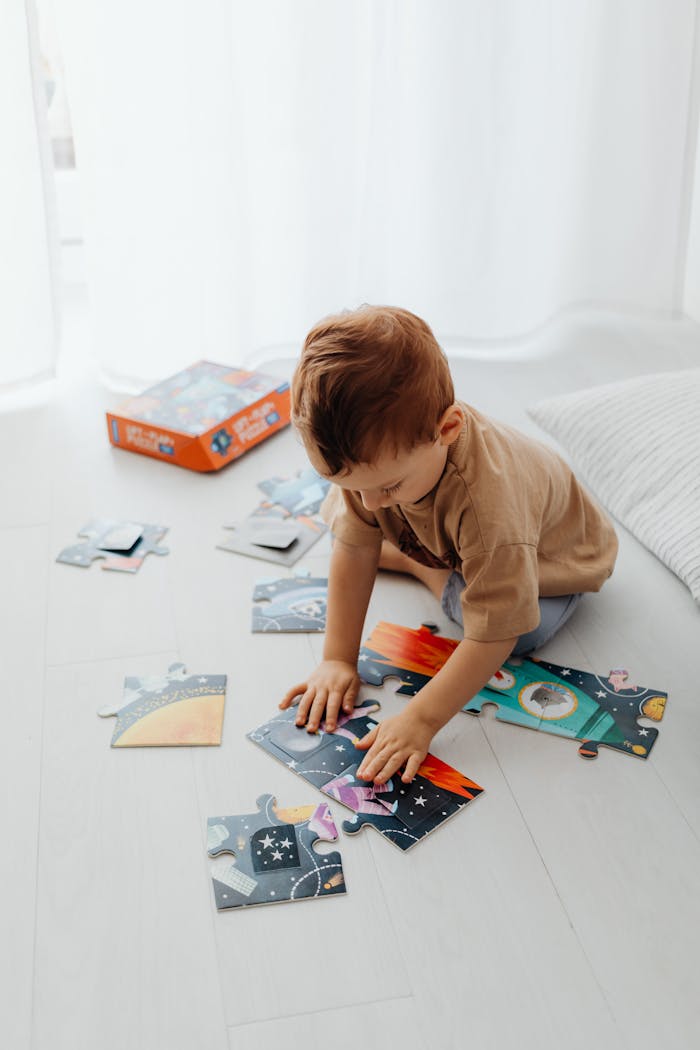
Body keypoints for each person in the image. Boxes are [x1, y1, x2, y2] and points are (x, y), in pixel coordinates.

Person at [279, 305, 618, 786]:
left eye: (389, 487)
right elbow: (353, 549)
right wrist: (336, 658)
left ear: (447, 430)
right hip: (470, 547)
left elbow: (493, 634)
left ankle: (421, 565)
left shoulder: (489, 506)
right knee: (367, 534)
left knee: (520, 634)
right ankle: (423, 557)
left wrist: (421, 719)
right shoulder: (371, 472)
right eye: (350, 486)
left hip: (550, 558)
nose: (370, 503)